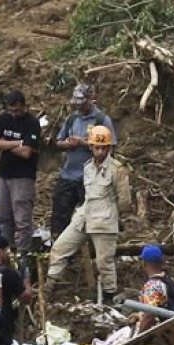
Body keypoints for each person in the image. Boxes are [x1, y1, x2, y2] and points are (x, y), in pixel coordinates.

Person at [48, 125, 132, 301]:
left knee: (104, 263)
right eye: (96, 147)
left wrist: (116, 217)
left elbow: (124, 201)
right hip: (85, 215)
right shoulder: (87, 168)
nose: (100, 151)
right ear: (91, 147)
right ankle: (49, 288)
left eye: (103, 147)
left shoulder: (117, 170)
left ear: (109, 148)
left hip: (104, 218)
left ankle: (110, 296)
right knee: (59, 248)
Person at [51, 84, 116, 238]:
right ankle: (60, 246)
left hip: (91, 178)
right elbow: (58, 142)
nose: (80, 108)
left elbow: (110, 147)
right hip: (69, 174)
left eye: (83, 104)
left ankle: (90, 250)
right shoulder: (72, 118)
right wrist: (67, 144)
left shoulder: (101, 120)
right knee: (60, 213)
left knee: (91, 216)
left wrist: (84, 142)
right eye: (77, 104)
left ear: (90, 100)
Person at [0, 90, 42, 257]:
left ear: (25, 107)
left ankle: (23, 254)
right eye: (11, 111)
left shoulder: (32, 123)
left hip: (23, 176)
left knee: (22, 219)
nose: (14, 114)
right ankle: (6, 252)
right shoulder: (4, 119)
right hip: (4, 174)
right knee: (4, 217)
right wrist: (17, 143)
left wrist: (5, 144)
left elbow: (27, 152)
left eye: (18, 111)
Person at [134, 245, 174, 334]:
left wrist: (137, 340)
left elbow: (149, 317)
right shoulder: (170, 280)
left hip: (171, 331)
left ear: (144, 264)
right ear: (162, 262)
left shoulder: (152, 286)